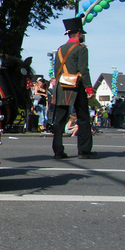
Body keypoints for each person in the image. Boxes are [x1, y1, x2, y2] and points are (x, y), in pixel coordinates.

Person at [52, 17, 96, 159]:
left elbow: (56, 69)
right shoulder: (81, 49)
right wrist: (89, 88)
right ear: (78, 34)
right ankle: (84, 150)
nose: (83, 36)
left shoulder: (60, 49)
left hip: (61, 86)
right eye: (82, 33)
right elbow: (84, 70)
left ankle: (58, 151)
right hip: (76, 86)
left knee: (59, 119)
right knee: (83, 118)